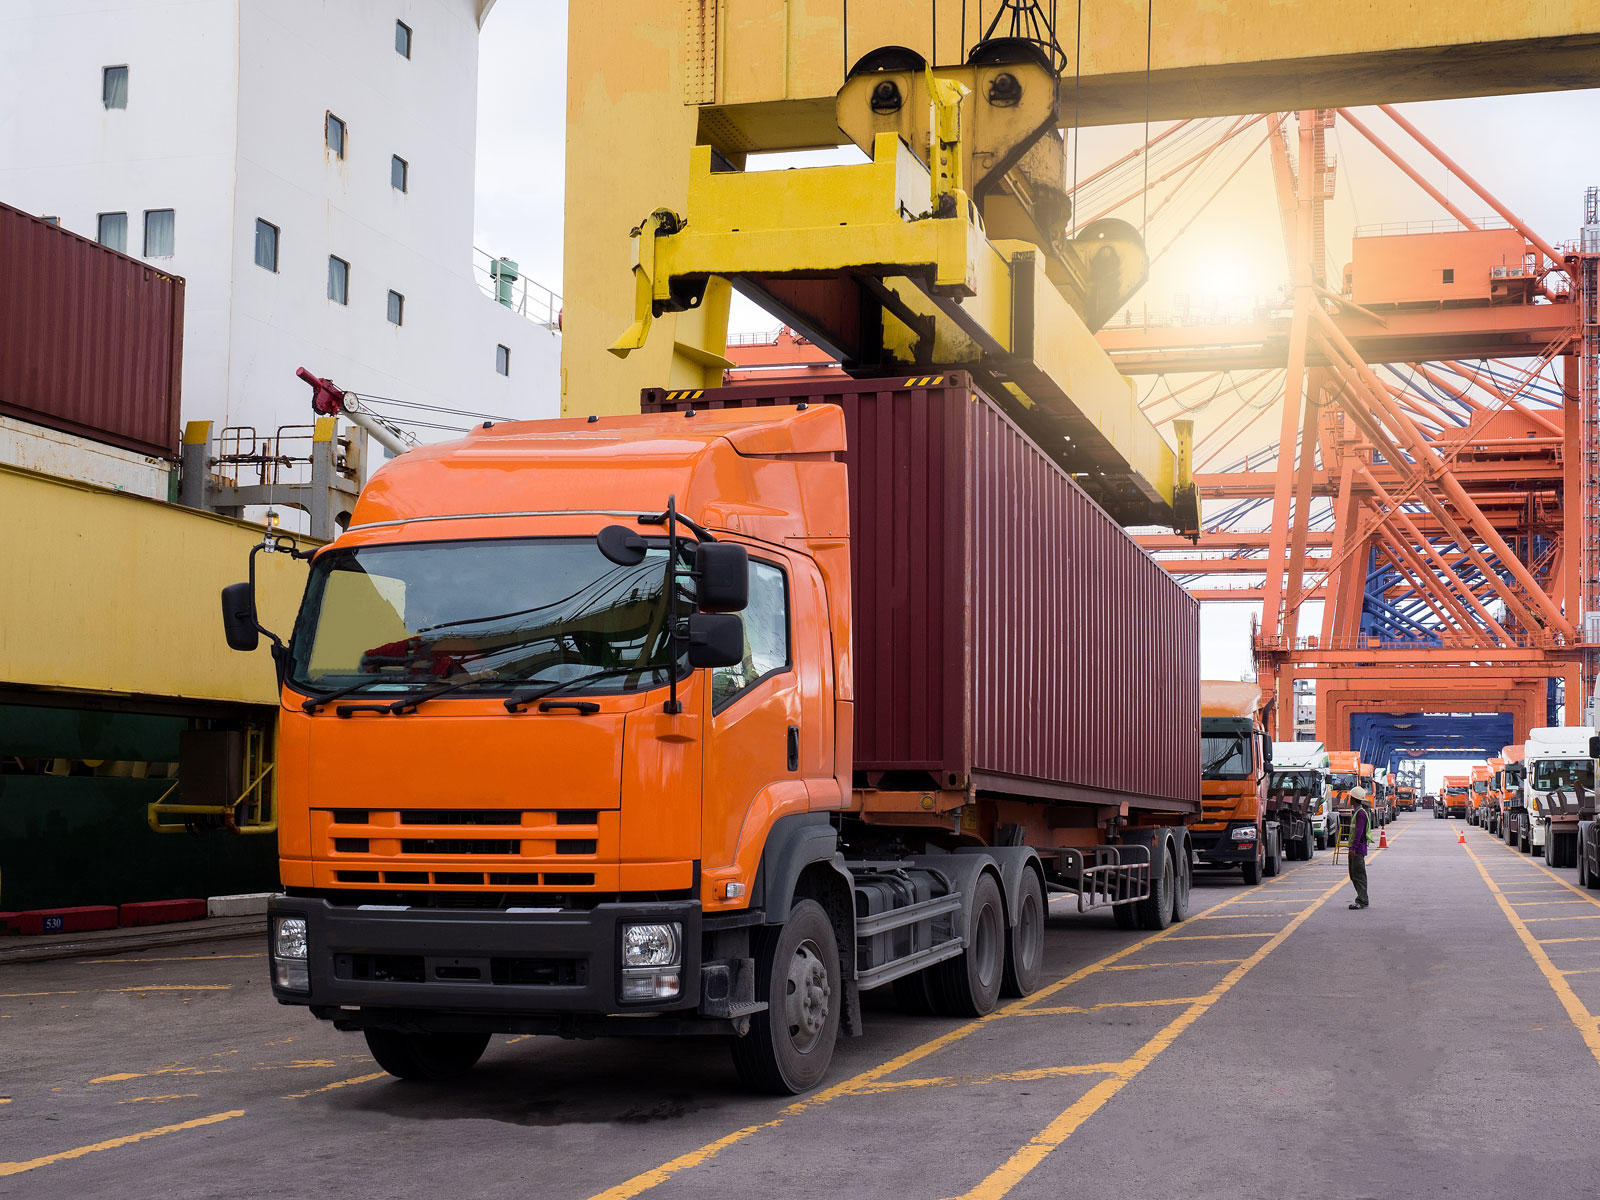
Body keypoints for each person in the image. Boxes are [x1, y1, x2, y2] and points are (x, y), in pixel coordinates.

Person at [1347, 786, 1374, 910]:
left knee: (1359, 875)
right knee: (1354, 875)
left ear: (1354, 799)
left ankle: (1362, 900)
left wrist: (1353, 848)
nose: (1349, 798)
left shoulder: (1361, 813)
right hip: (1355, 848)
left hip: (1357, 849)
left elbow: (1358, 832)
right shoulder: (1358, 812)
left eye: (1350, 797)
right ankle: (1362, 898)